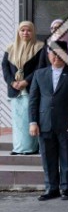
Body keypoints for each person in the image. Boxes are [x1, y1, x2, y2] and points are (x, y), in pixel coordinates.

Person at [28, 42, 68, 200]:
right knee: (47, 157)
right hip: (44, 123)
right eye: (54, 53)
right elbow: (33, 100)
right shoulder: (39, 74)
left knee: (67, 156)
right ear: (48, 55)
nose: (57, 57)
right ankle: (51, 188)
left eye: (60, 54)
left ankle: (67, 188)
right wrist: (33, 122)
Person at [3, 21, 45, 154]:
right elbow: (5, 67)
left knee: (29, 118)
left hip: (31, 88)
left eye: (28, 30)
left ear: (33, 32)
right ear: (18, 32)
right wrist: (12, 82)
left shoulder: (39, 47)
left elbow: (40, 67)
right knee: (18, 122)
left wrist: (26, 81)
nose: (25, 33)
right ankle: (18, 147)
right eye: (22, 30)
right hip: (15, 90)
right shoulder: (10, 48)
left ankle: (31, 148)